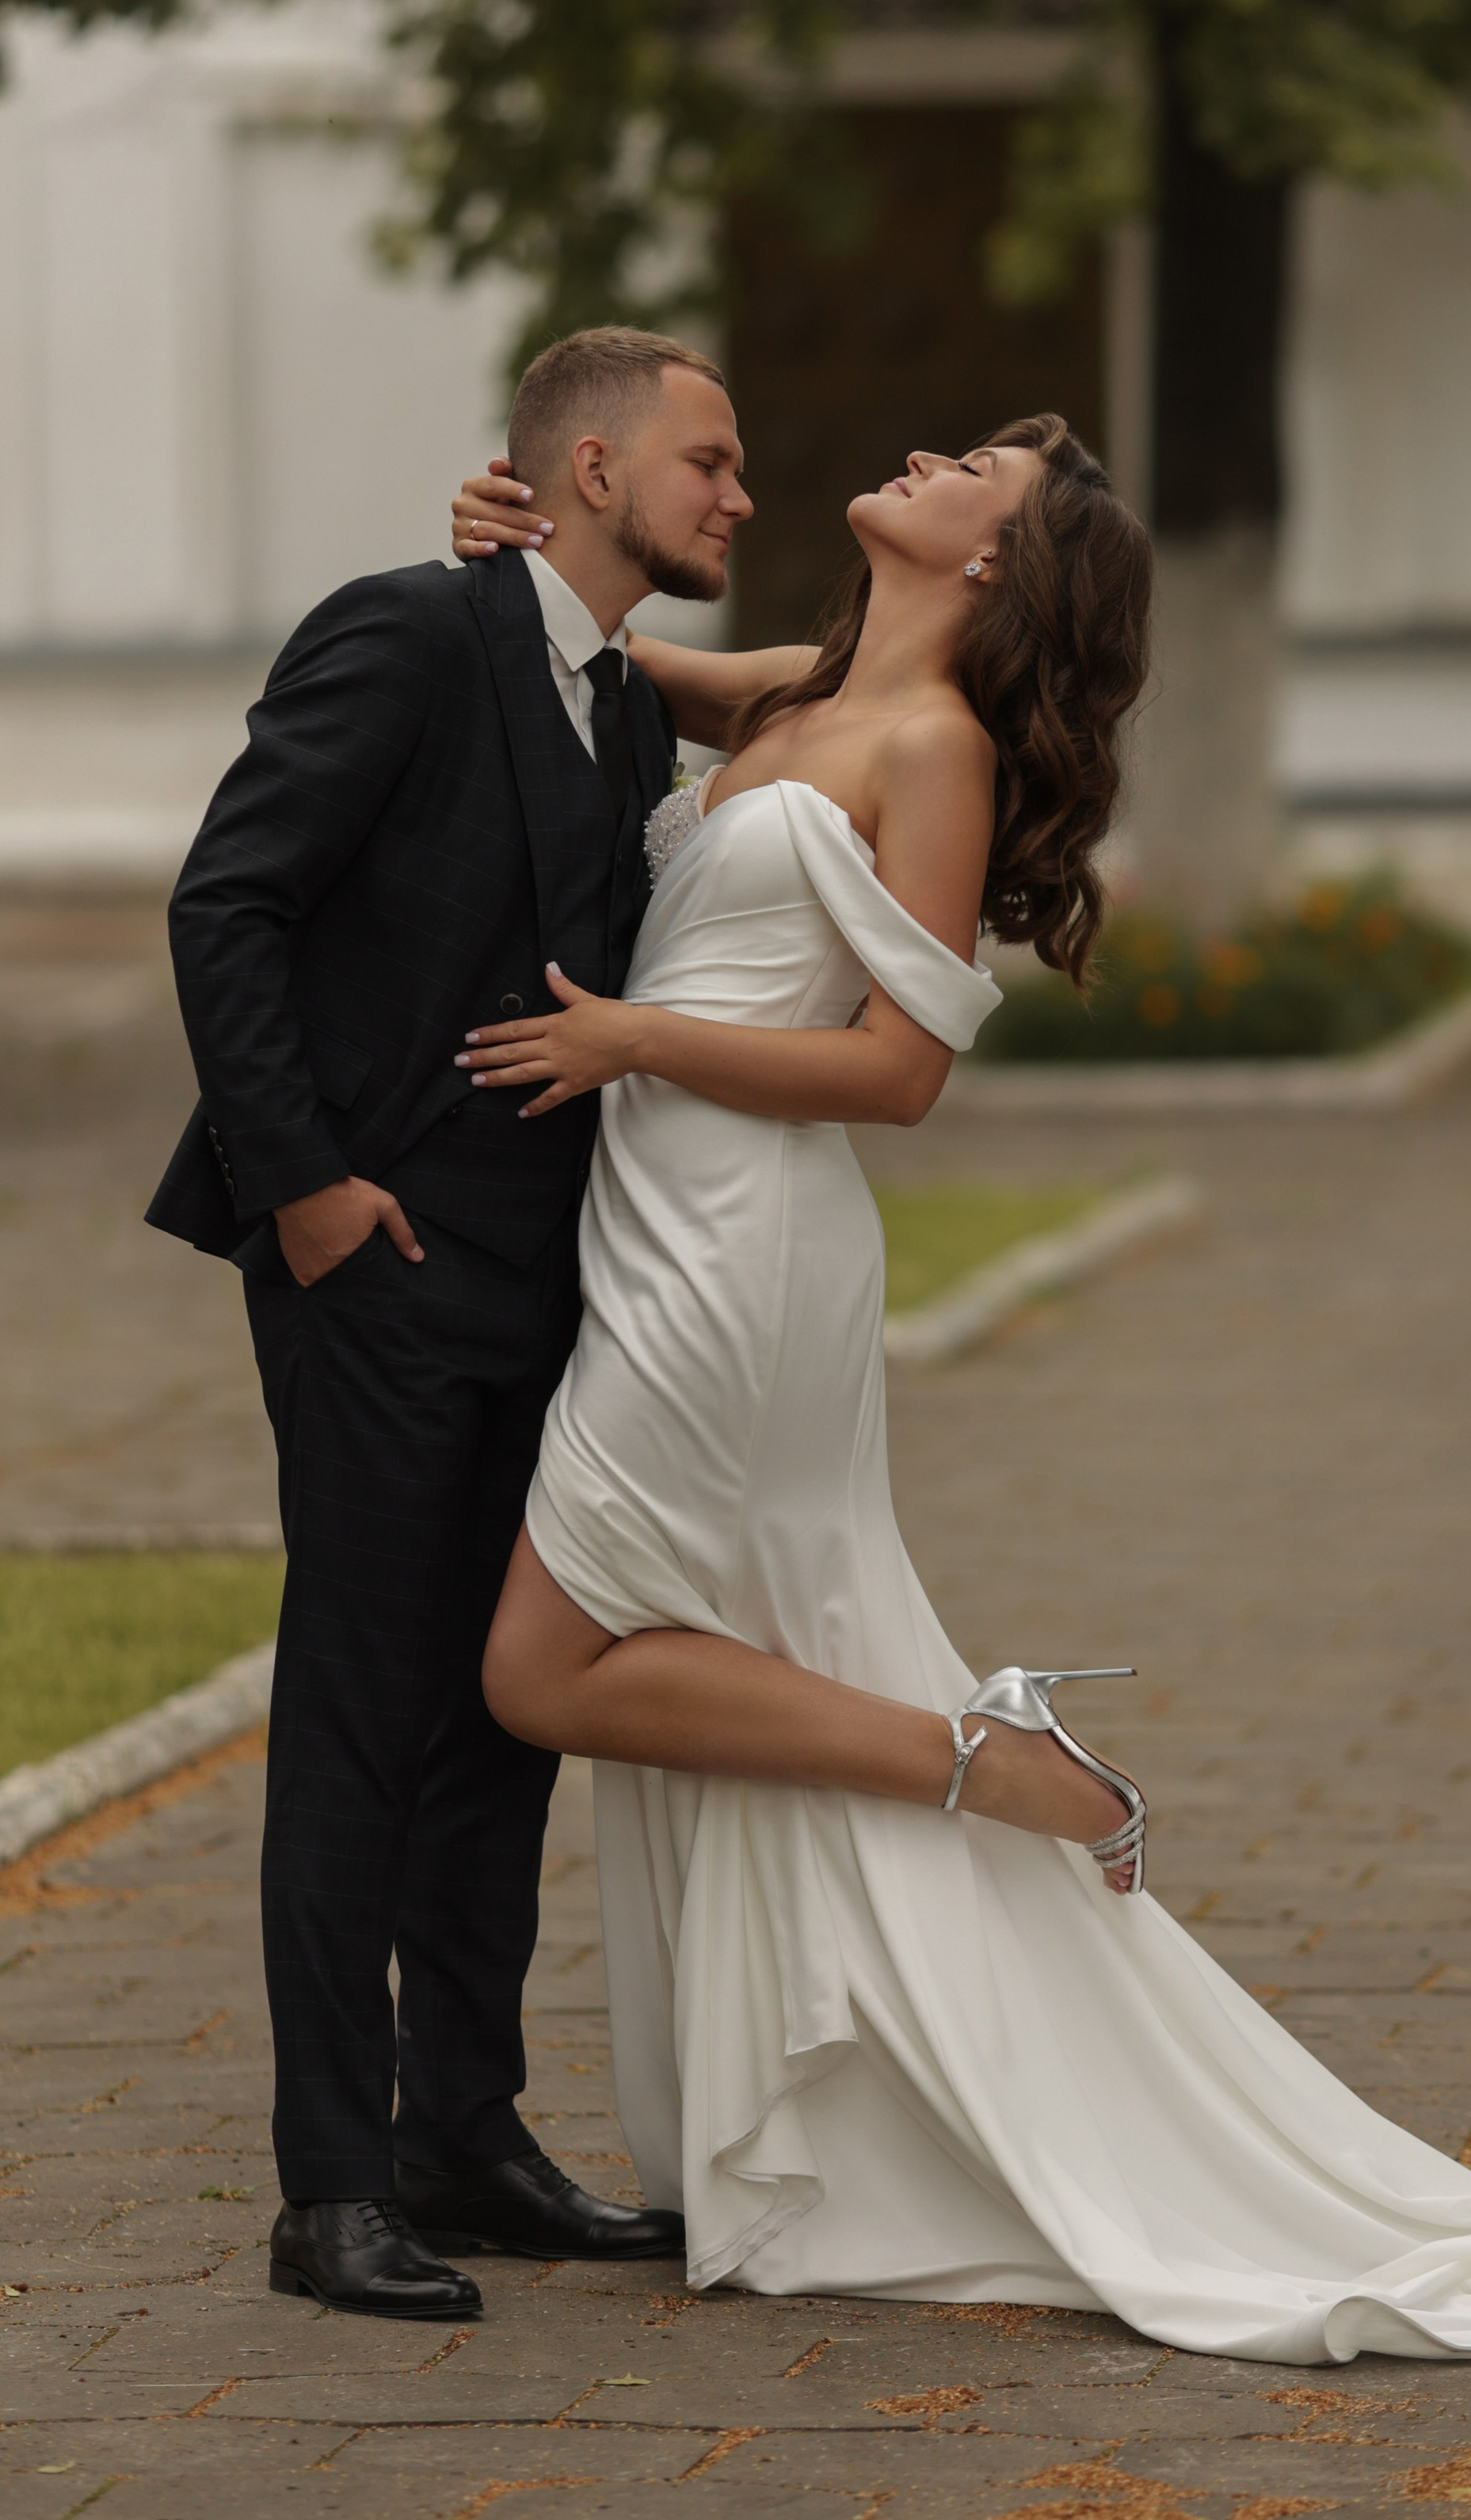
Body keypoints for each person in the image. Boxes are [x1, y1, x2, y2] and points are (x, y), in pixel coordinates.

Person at [441, 419, 1471, 2362]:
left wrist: (631, 1035)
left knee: (543, 1669)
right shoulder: (811, 684)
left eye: (968, 472)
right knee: (704, 1634)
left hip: (740, 1260)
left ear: (992, 563)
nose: (918, 458)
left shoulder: (938, 753)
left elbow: (902, 1073)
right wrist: (500, 536)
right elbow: (586, 657)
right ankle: (894, 1947)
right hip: (661, 1218)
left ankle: (989, 1766)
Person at [147, 327, 787, 2321]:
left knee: (500, 1713)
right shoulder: (406, 634)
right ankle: (329, 2185)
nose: (737, 497)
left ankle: (463, 2135)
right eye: (710, 460)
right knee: (356, 1715)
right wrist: (312, 1194)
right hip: (381, 1262)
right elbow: (225, 902)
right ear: (588, 470)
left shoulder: (611, 703)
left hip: (552, 1279)